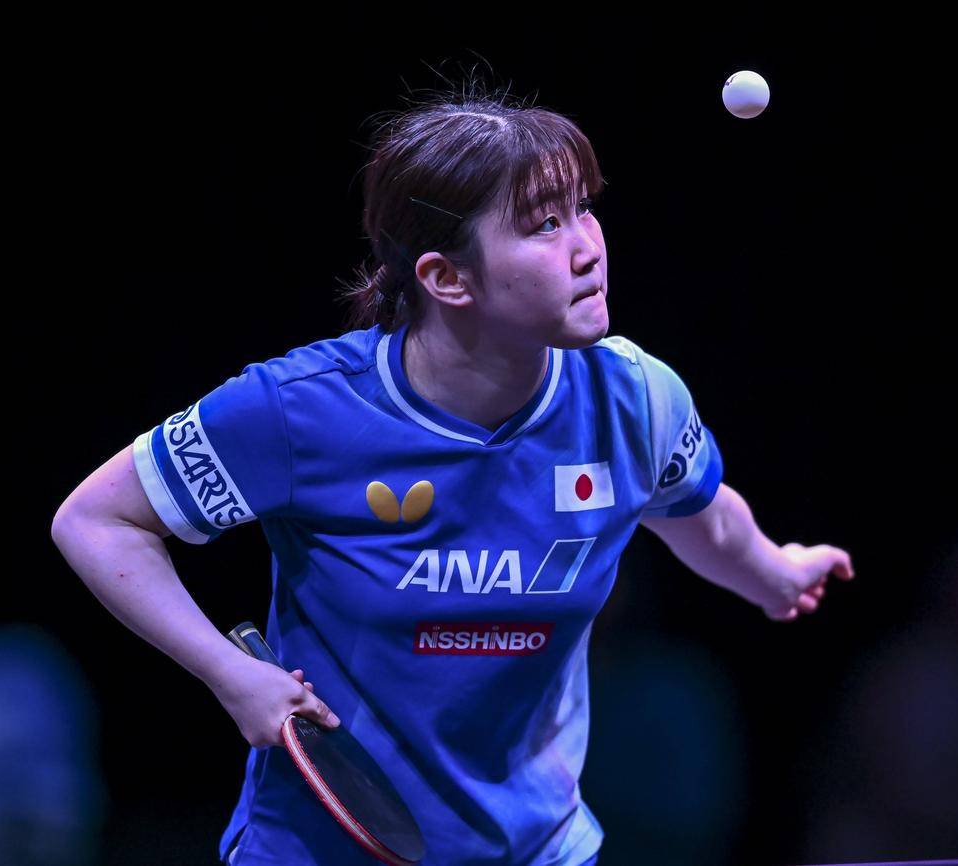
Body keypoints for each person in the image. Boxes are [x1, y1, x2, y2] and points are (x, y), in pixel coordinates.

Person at [51, 85, 855, 866]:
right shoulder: (300, 410)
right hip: (317, 849)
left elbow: (703, 516)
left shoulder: (633, 398)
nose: (587, 247)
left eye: (583, 208)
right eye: (544, 225)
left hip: (540, 849)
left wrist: (774, 572)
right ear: (447, 278)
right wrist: (229, 673)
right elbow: (96, 520)